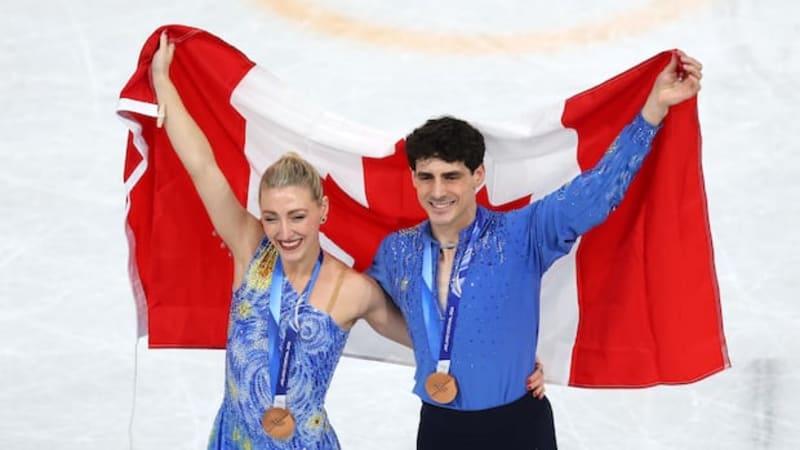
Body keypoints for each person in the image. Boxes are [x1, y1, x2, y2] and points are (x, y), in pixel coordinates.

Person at [150, 32, 546, 449]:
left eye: (298, 216)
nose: (285, 232)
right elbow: (202, 167)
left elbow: (433, 337)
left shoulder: (355, 290)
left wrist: (514, 358)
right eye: (272, 218)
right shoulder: (250, 249)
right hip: (232, 439)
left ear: (322, 211)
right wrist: (164, 82)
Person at [367, 50, 704, 449]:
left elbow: (596, 192)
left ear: (477, 175)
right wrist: (439, 343)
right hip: (441, 428)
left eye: (451, 176)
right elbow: (357, 303)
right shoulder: (397, 252)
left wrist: (652, 112)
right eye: (427, 177)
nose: (438, 191)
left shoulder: (522, 233)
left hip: (518, 427)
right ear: (413, 178)